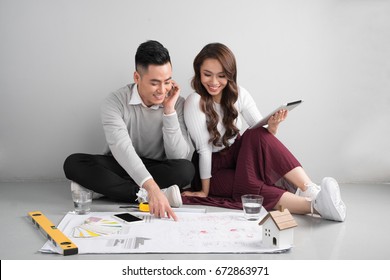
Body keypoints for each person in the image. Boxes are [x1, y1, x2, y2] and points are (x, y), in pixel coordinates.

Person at [182, 42, 346, 222]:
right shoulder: (194, 101)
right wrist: (204, 191)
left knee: (256, 132)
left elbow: (262, 136)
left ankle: (310, 188)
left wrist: (273, 126)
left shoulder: (239, 94)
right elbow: (204, 150)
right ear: (198, 72)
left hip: (237, 154)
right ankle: (316, 206)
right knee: (249, 185)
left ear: (230, 75)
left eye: (221, 76)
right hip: (212, 169)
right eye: (207, 74)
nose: (214, 82)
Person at [63, 40, 194, 221]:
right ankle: (146, 196)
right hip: (121, 164)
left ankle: (107, 190)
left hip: (158, 167)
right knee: (74, 163)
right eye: (155, 83)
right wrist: (152, 189)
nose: (162, 90)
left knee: (185, 169)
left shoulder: (178, 103)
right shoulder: (115, 102)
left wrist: (169, 111)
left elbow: (178, 156)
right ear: (137, 77)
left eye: (167, 82)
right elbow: (121, 148)